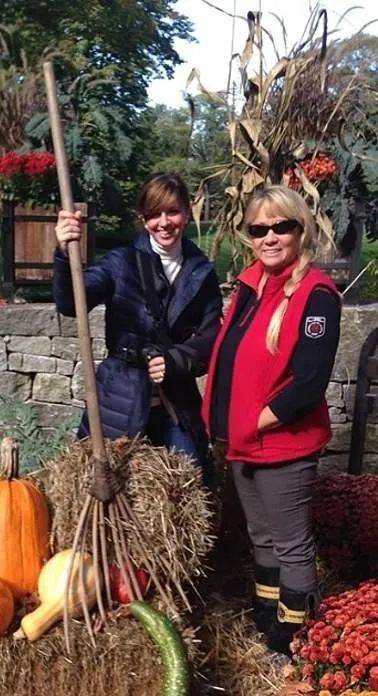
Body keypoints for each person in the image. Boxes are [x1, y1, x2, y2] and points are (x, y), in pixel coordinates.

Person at [201, 185, 341, 653]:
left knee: (291, 544)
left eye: (282, 226)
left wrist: (254, 421)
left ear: (300, 229)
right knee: (261, 538)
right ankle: (267, 616)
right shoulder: (252, 286)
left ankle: (294, 636)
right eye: (259, 229)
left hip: (280, 443)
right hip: (243, 442)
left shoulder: (316, 296)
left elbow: (308, 383)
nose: (270, 237)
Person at [53, 172, 223, 470]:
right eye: (154, 214)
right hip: (120, 396)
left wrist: (177, 360)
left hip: (176, 403)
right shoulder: (120, 263)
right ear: (143, 219)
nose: (164, 222)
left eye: (172, 211)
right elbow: (71, 304)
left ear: (186, 211)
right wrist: (64, 254)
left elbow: (212, 338)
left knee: (192, 477)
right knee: (111, 487)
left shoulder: (202, 272)